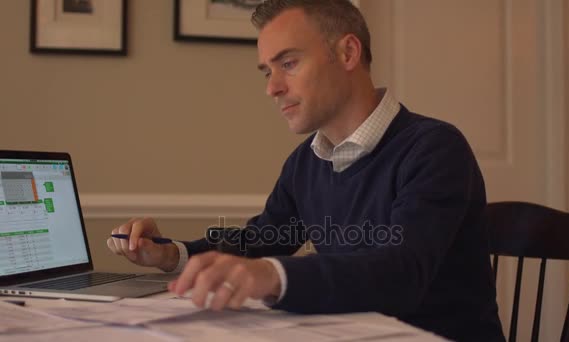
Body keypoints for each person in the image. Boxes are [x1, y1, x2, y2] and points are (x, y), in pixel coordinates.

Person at [107, 0, 505, 340]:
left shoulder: (434, 148)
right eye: (267, 71)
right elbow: (262, 240)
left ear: (348, 53)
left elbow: (402, 271)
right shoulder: (306, 161)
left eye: (289, 63)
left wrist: (273, 275)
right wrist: (170, 255)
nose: (272, 88)